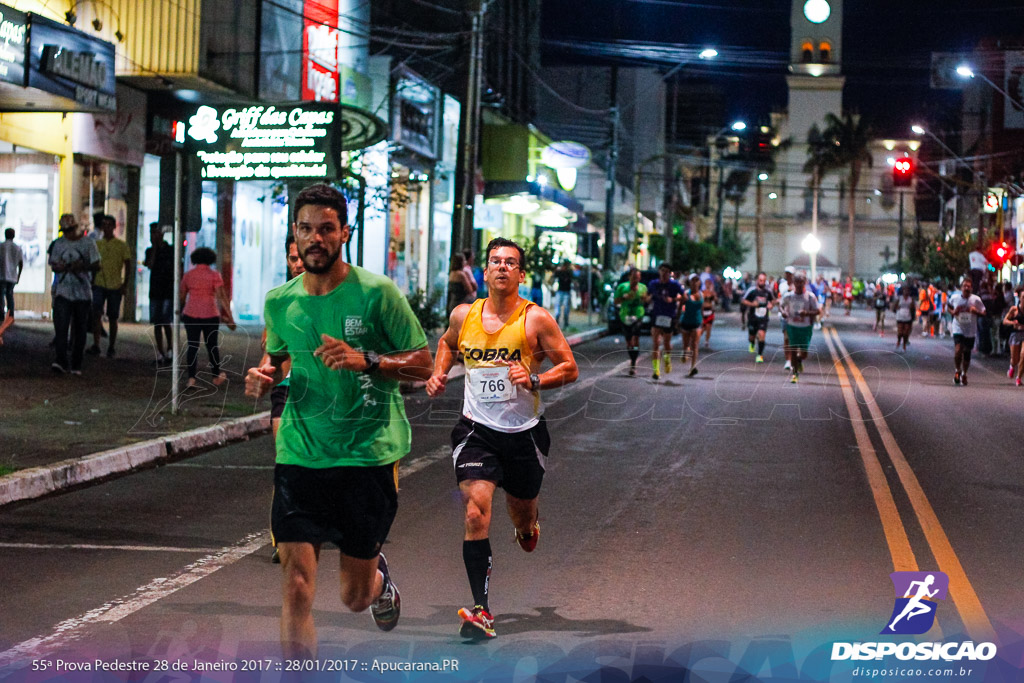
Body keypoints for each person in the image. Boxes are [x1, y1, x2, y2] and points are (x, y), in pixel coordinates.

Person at [245, 183, 433, 658]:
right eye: (306, 229)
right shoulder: (280, 302)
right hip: (301, 454)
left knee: (352, 597)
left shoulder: (377, 294)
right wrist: (266, 376)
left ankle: (378, 581)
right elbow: (279, 358)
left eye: (326, 229)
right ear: (295, 233)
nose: (316, 238)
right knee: (296, 586)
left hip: (366, 457)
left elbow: (423, 364)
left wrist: (367, 360)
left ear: (344, 232)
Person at [425, 236, 578, 640]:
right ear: (485, 271)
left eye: (511, 262)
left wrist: (534, 378)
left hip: (524, 434)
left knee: (522, 514)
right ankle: (481, 610)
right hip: (476, 430)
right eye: (495, 261)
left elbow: (570, 367)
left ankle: (528, 527)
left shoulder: (536, 319)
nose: (502, 267)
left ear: (521, 274)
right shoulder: (464, 315)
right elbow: (446, 343)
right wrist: (440, 373)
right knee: (476, 511)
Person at [48, 214, 100, 375]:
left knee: (80, 329)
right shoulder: (58, 244)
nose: (68, 233)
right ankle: (61, 360)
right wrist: (61, 267)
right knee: (61, 328)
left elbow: (97, 264)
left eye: (70, 230)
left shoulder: (88, 243)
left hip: (82, 292)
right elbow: (53, 265)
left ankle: (77, 363)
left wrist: (82, 266)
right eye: (65, 231)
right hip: (63, 291)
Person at [180, 247, 235, 389]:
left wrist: (179, 311)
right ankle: (216, 376)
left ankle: (191, 378)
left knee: (192, 346)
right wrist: (229, 315)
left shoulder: (188, 275)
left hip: (191, 313)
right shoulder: (214, 275)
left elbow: (181, 295)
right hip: (210, 314)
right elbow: (221, 296)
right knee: (212, 346)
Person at [86, 215, 131, 358]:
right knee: (96, 314)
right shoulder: (97, 244)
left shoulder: (121, 245)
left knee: (113, 317)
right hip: (99, 283)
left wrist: (124, 284)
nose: (106, 227)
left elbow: (128, 264)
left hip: (115, 285)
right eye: (104, 224)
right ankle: (97, 344)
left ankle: (111, 346)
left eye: (109, 225)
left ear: (113, 227)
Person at [779, 272, 819, 383]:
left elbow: (817, 310)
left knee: (804, 352)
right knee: (793, 349)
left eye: (801, 282)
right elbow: (781, 306)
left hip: (805, 327)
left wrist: (806, 313)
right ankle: (794, 374)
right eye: (797, 282)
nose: (799, 284)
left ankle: (800, 360)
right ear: (794, 282)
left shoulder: (810, 297)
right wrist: (783, 313)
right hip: (792, 326)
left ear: (805, 282)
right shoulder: (789, 296)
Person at [144, 223, 175, 366]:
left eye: (156, 233)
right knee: (157, 322)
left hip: (167, 290)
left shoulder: (170, 250)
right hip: (155, 290)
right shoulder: (150, 251)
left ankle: (170, 348)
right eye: (151, 233)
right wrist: (155, 249)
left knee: (166, 321)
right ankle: (160, 351)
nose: (153, 236)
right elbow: (150, 265)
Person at [647, 262, 683, 379]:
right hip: (657, 314)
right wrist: (646, 299)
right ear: (659, 271)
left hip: (669, 315)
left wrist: (673, 299)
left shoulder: (674, 285)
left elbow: (683, 296)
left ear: (670, 273)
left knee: (667, 343)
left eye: (667, 271)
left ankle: (667, 359)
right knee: (656, 343)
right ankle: (656, 370)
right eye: (662, 270)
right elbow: (647, 295)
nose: (664, 273)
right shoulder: (653, 284)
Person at [613, 267, 649, 376]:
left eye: (638, 278)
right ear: (630, 277)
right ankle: (632, 356)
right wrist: (624, 297)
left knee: (635, 338)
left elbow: (646, 300)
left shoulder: (643, 288)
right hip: (625, 316)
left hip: (638, 315)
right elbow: (616, 301)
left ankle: (633, 364)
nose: (636, 280)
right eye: (634, 277)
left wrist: (645, 299)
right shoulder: (622, 287)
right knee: (629, 341)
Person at [949, 278, 985, 386]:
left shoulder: (976, 299)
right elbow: (948, 307)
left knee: (967, 352)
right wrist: (953, 312)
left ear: (971, 288)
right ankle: (957, 370)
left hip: (970, 330)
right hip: (958, 327)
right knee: (958, 349)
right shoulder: (955, 298)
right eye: (964, 286)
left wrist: (976, 311)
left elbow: (984, 312)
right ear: (961, 288)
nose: (966, 288)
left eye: (968, 286)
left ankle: (964, 373)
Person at [743, 272, 775, 363]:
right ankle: (752, 343)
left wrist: (771, 305)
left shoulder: (768, 291)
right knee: (751, 337)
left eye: (764, 280)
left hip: (763, 317)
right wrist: (752, 304)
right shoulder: (752, 290)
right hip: (753, 317)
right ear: (757, 280)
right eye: (760, 280)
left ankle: (760, 355)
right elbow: (743, 300)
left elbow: (773, 300)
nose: (762, 282)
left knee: (761, 334)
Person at [679, 274, 703, 377]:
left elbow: (702, 308)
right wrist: (676, 319)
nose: (695, 282)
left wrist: (703, 320)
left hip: (697, 322)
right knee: (686, 345)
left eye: (696, 280)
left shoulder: (702, 295)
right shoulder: (685, 294)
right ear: (690, 282)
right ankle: (685, 352)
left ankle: (693, 367)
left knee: (695, 345)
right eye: (693, 280)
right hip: (686, 321)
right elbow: (680, 306)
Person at [1002, 286, 1024, 386]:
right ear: (1019, 298)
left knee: (1023, 355)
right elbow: (1004, 321)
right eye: (1023, 297)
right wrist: (1012, 323)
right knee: (1015, 359)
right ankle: (1012, 366)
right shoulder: (1014, 309)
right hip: (1015, 334)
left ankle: (1019, 377)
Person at [0, 227, 23, 323]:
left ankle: (1, 315)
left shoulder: (1, 246)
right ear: (14, 236)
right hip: (13, 276)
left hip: (1, 275)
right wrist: (18, 276)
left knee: (0, 296)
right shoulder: (17, 248)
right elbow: (21, 263)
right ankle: (10, 315)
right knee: (10, 296)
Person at [893, 286, 915, 352]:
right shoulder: (899, 298)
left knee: (905, 333)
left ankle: (904, 345)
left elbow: (913, 309)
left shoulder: (911, 299)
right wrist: (897, 308)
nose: (906, 292)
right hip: (900, 316)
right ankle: (899, 341)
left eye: (908, 291)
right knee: (900, 332)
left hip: (908, 317)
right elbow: (894, 307)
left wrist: (913, 316)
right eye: (905, 291)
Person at [553, 261, 573, 328]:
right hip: (562, 291)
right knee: (561, 306)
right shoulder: (562, 272)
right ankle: (560, 319)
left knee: (564, 307)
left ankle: (564, 320)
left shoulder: (568, 272)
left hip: (564, 291)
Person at [699, 276, 717, 350]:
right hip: (703, 311)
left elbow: (716, 301)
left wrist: (713, 293)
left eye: (709, 284)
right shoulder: (702, 292)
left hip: (710, 311)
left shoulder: (712, 293)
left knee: (708, 327)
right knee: (703, 327)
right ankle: (696, 340)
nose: (708, 285)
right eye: (707, 283)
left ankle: (706, 341)